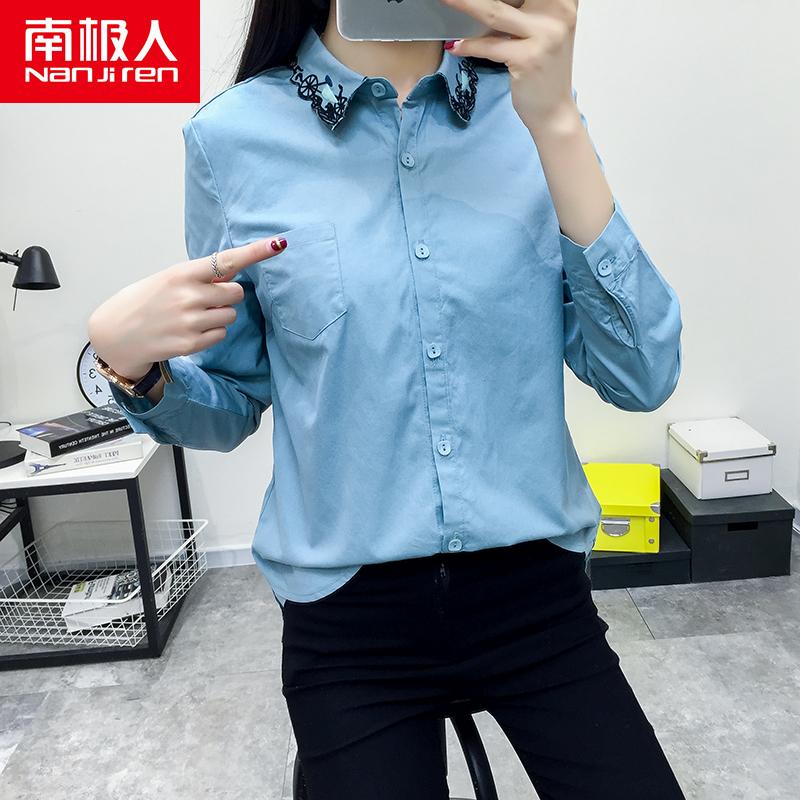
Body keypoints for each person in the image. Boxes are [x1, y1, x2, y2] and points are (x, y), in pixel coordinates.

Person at [88, 0, 686, 797]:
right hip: (349, 620)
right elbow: (230, 401)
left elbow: (641, 375)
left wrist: (558, 124)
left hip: (537, 595)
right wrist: (133, 366)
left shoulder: (533, 115)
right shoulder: (231, 138)